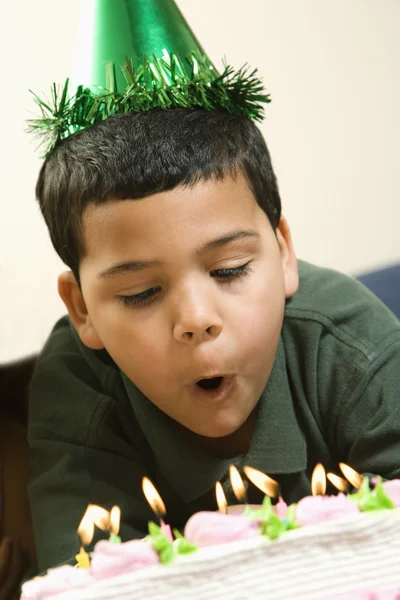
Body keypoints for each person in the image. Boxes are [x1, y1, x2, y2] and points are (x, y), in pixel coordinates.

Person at [27, 0, 400, 577]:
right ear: (83, 309)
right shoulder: (81, 385)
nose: (196, 318)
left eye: (228, 270)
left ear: (281, 254)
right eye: (140, 294)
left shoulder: (351, 347)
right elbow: (87, 581)